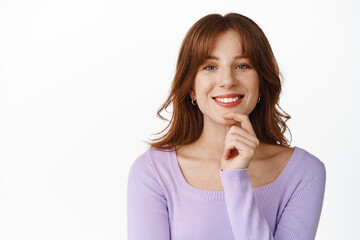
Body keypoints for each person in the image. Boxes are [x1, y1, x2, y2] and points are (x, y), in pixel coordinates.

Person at [127, 13, 326, 240]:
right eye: (210, 67)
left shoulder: (304, 172)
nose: (227, 80)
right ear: (191, 87)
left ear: (261, 84)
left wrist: (235, 179)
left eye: (242, 65)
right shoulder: (153, 171)